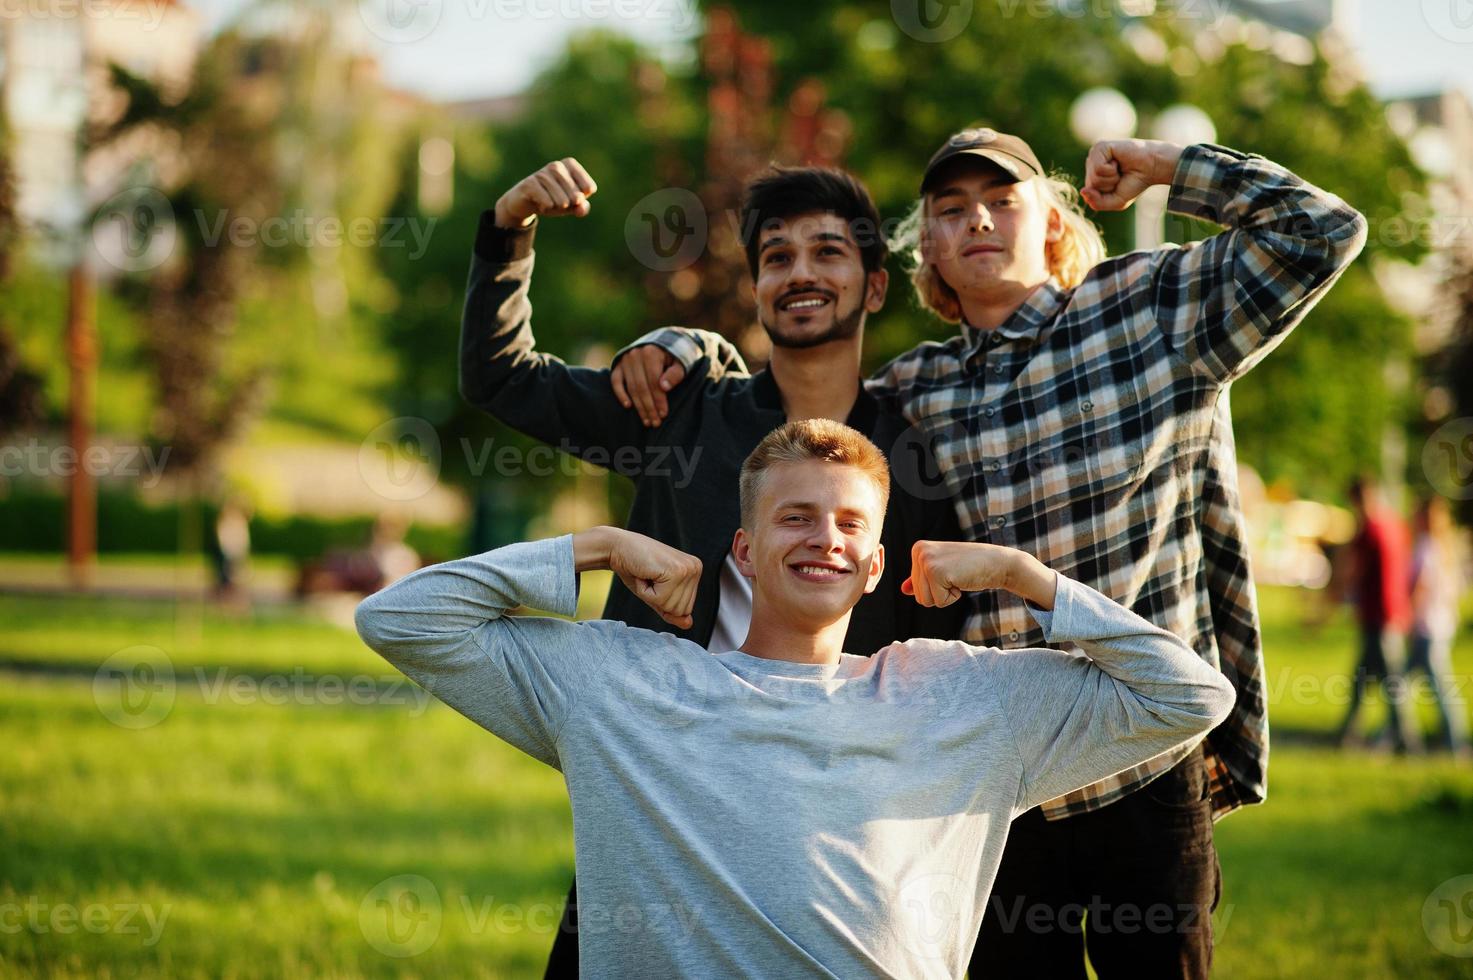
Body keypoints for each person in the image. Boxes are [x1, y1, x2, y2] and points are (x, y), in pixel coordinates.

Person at [614, 129, 1368, 978]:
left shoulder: (1149, 312)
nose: (977, 220)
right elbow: (795, 381)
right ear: (926, 250)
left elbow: (1320, 230)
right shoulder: (916, 389)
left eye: (1002, 200)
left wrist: (1164, 166)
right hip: (997, 782)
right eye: (950, 210)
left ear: (1050, 220)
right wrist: (686, 347)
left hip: (1141, 755)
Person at [355, 418, 1234, 979]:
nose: (825, 539)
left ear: (878, 563)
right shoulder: (622, 680)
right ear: (742, 549)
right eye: (795, 517)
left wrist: (1024, 577)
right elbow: (403, 619)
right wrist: (601, 545)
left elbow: (1188, 695)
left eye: (851, 523)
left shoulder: (962, 696)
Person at [463, 158, 965, 973]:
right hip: (659, 786)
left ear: (874, 287)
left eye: (827, 252)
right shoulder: (682, 408)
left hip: (822, 812)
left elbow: (924, 651)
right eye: (776, 257)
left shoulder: (911, 459)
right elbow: (501, 379)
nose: (800, 273)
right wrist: (509, 228)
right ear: (759, 288)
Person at [1408, 496, 1469, 757]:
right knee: (1403, 683)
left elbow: (1421, 586)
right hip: (1443, 625)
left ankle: (1455, 742)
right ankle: (1394, 734)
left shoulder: (1425, 547)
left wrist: (1409, 617)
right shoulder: (1447, 548)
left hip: (1426, 627)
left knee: (1435, 688)